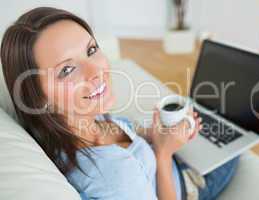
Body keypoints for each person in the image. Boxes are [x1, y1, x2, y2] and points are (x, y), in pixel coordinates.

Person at [0, 7, 240, 200]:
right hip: (186, 186)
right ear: (36, 95)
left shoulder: (78, 122)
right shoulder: (115, 175)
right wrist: (163, 153)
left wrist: (155, 135)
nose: (97, 71)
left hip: (169, 159)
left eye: (91, 49)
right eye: (67, 69)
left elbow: (123, 143)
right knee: (233, 137)